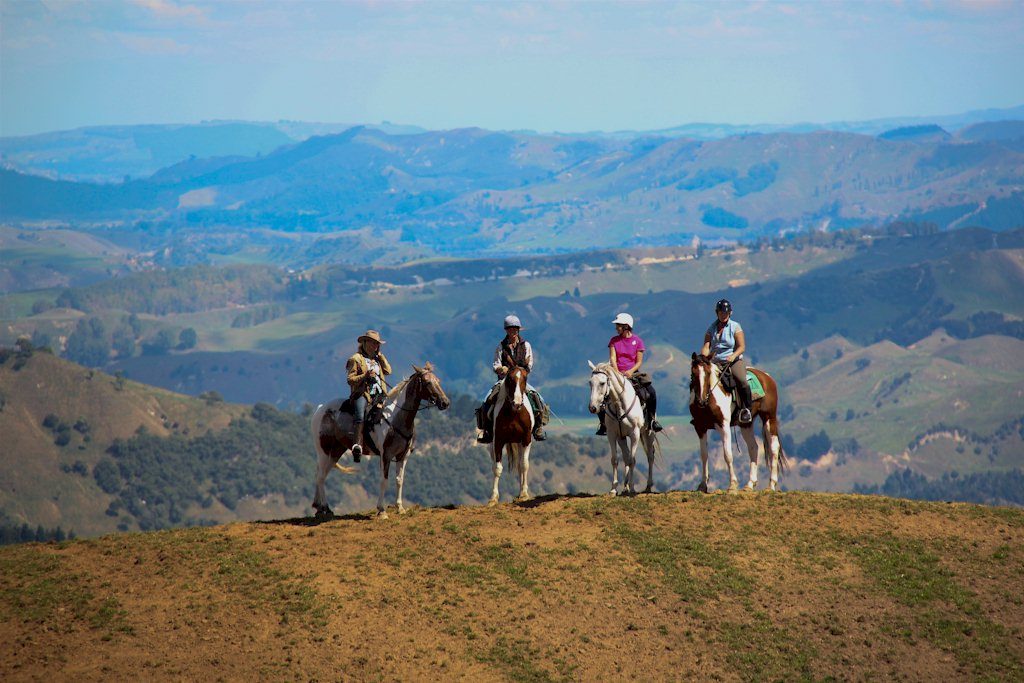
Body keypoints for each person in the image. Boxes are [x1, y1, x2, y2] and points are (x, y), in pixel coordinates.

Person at [476, 315, 548, 443]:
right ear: (506, 331)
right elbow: (496, 364)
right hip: (504, 381)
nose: (512, 332)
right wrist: (500, 369)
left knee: (539, 399)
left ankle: (538, 428)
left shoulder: (526, 345)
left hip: (520, 380)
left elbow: (529, 364)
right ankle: (486, 431)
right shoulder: (500, 346)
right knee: (486, 400)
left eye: (515, 329)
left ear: (518, 330)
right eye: (510, 329)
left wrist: (520, 372)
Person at [596, 313, 663, 435]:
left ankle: (652, 420)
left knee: (651, 392)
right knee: (599, 395)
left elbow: (639, 362)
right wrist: (617, 373)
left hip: (633, 374)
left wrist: (630, 372)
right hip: (615, 374)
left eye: (618, 325)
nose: (616, 328)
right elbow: (612, 358)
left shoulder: (638, 341)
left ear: (626, 326)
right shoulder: (613, 341)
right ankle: (603, 424)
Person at [700, 299, 752, 425]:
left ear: (730, 313)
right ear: (717, 313)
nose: (723, 315)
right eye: (721, 312)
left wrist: (733, 356)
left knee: (742, 380)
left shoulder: (735, 326)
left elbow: (741, 347)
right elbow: (707, 346)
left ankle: (746, 409)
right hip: (716, 362)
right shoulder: (711, 328)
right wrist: (703, 357)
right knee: (701, 380)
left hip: (732, 361)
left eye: (726, 313)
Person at [346, 329, 392, 460]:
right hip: (363, 393)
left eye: (377, 344)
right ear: (364, 343)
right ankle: (357, 444)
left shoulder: (377, 359)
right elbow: (350, 379)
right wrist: (365, 376)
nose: (375, 346)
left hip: (379, 393)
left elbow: (388, 371)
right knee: (360, 414)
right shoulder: (356, 359)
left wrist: (381, 357)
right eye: (372, 343)